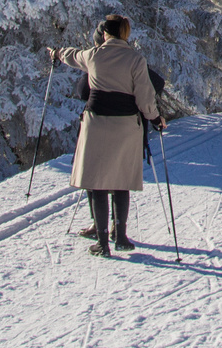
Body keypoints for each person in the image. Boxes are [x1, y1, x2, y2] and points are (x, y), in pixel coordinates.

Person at [55, 14, 166, 256]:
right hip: (127, 125)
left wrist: (56, 53)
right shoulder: (136, 60)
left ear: (105, 33)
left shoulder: (93, 56)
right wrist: (156, 118)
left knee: (97, 183)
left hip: (97, 123)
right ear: (125, 33)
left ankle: (102, 242)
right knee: (121, 180)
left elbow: (71, 55)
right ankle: (122, 237)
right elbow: (145, 98)